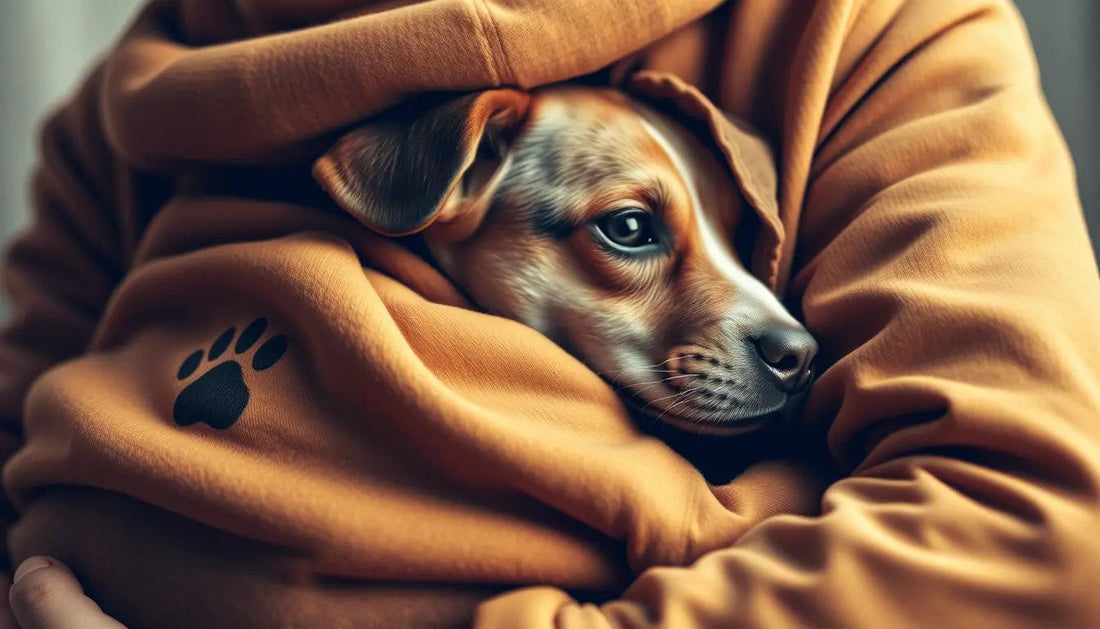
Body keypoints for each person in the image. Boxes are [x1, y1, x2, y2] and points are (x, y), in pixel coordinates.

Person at [2, 0, 1099, 627]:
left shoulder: (872, 30)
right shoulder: (119, 128)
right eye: (631, 231)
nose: (777, 323)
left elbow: (1024, 527)